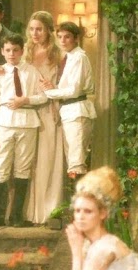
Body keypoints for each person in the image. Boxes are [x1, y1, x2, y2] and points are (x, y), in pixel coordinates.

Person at [0, 34, 47, 227]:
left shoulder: (32, 71)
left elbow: (44, 96)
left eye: (15, 50)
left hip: (27, 122)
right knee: (1, 167)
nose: (11, 54)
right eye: (8, 50)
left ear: (22, 51)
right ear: (2, 52)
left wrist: (26, 99)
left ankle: (16, 216)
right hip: (5, 123)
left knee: (23, 168)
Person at [22, 11, 65, 226]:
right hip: (27, 108)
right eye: (32, 29)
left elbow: (68, 83)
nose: (35, 33)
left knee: (47, 160)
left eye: (39, 29)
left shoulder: (58, 53)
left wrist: (54, 90)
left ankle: (49, 211)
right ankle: (28, 211)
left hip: (49, 109)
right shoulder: (25, 51)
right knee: (28, 161)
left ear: (48, 30)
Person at [41, 21, 97, 177]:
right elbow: (68, 86)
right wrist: (53, 87)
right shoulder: (69, 57)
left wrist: (50, 92)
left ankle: (81, 192)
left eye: (67, 37)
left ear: (76, 38)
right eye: (59, 37)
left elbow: (74, 90)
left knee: (76, 162)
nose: (62, 41)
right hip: (69, 111)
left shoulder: (79, 57)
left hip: (77, 111)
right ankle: (76, 191)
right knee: (72, 161)